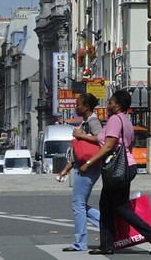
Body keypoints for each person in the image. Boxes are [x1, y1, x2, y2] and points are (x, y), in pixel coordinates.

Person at [78, 89, 151, 255]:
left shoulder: (115, 120)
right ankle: (107, 245)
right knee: (106, 206)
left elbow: (108, 145)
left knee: (120, 207)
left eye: (110, 102)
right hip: (127, 165)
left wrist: (89, 162)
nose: (108, 105)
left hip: (118, 169)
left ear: (118, 105)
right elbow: (126, 145)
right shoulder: (126, 121)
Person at [56, 93, 104, 253]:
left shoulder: (93, 121)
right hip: (83, 166)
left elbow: (102, 139)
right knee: (80, 204)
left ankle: (80, 242)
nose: (76, 106)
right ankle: (108, 225)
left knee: (78, 204)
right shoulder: (85, 122)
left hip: (89, 167)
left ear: (86, 107)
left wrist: (81, 135)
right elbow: (81, 150)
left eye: (78, 104)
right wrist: (67, 168)